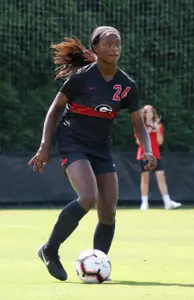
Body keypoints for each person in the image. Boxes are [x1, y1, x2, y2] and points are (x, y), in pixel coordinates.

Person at [28, 26, 156, 282]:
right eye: (108, 44)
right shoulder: (81, 78)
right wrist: (44, 146)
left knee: (108, 211)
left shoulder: (127, 85)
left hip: (100, 147)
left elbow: (138, 123)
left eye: (117, 44)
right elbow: (54, 110)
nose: (114, 48)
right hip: (72, 140)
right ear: (95, 49)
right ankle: (50, 250)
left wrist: (148, 150)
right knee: (87, 196)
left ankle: (98, 264)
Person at [135, 105, 181, 210]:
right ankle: (144, 203)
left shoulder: (158, 125)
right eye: (147, 112)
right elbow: (138, 142)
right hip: (144, 156)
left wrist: (158, 130)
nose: (149, 113)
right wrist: (149, 131)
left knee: (161, 178)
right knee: (145, 179)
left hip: (156, 155)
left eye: (151, 111)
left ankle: (167, 202)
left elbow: (160, 142)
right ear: (144, 114)